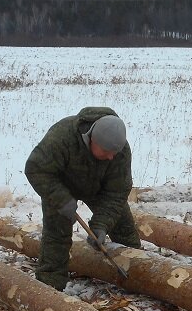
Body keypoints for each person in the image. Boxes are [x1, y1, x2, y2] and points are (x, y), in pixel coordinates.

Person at [24, 106, 141, 291]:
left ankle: (140, 276)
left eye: (114, 153)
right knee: (56, 235)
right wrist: (61, 200)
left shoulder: (120, 151)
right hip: (60, 186)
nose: (111, 157)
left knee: (124, 228)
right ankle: (50, 287)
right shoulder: (62, 136)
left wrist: (101, 225)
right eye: (106, 151)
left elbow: (117, 193)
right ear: (91, 139)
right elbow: (36, 169)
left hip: (99, 188)